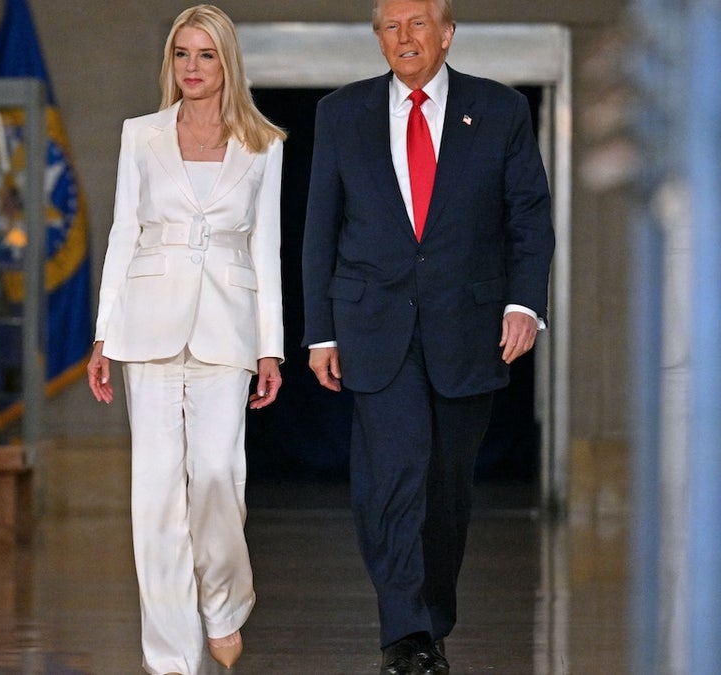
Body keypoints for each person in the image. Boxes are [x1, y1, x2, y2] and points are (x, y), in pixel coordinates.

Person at [301, 0, 555, 673]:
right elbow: (318, 229)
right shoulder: (341, 113)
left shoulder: (499, 111)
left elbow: (529, 215)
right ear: (378, 38)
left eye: (418, 24)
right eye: (391, 25)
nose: (404, 37)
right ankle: (406, 633)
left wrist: (525, 302)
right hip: (372, 325)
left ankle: (428, 623)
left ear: (446, 33)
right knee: (394, 475)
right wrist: (319, 332)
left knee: (445, 488)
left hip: (467, 325)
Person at [86, 5, 286, 673]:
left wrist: (270, 346)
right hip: (148, 325)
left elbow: (268, 249)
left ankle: (224, 602)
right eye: (182, 54)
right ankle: (172, 658)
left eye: (205, 54)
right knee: (156, 499)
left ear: (227, 62)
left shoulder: (265, 144)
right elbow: (121, 235)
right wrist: (103, 335)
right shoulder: (139, 135)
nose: (192, 68)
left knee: (220, 479)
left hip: (227, 329)